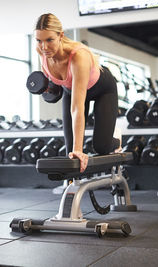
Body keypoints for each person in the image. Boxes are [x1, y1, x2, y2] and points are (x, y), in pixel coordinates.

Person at [35, 13, 120, 173]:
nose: (44, 47)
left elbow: (77, 108)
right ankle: (72, 183)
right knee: (70, 149)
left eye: (49, 40)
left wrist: (79, 151)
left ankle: (116, 140)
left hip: (103, 90)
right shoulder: (42, 52)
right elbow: (53, 83)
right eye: (39, 40)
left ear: (60, 36)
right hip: (71, 90)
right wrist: (48, 88)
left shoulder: (78, 57)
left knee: (101, 146)